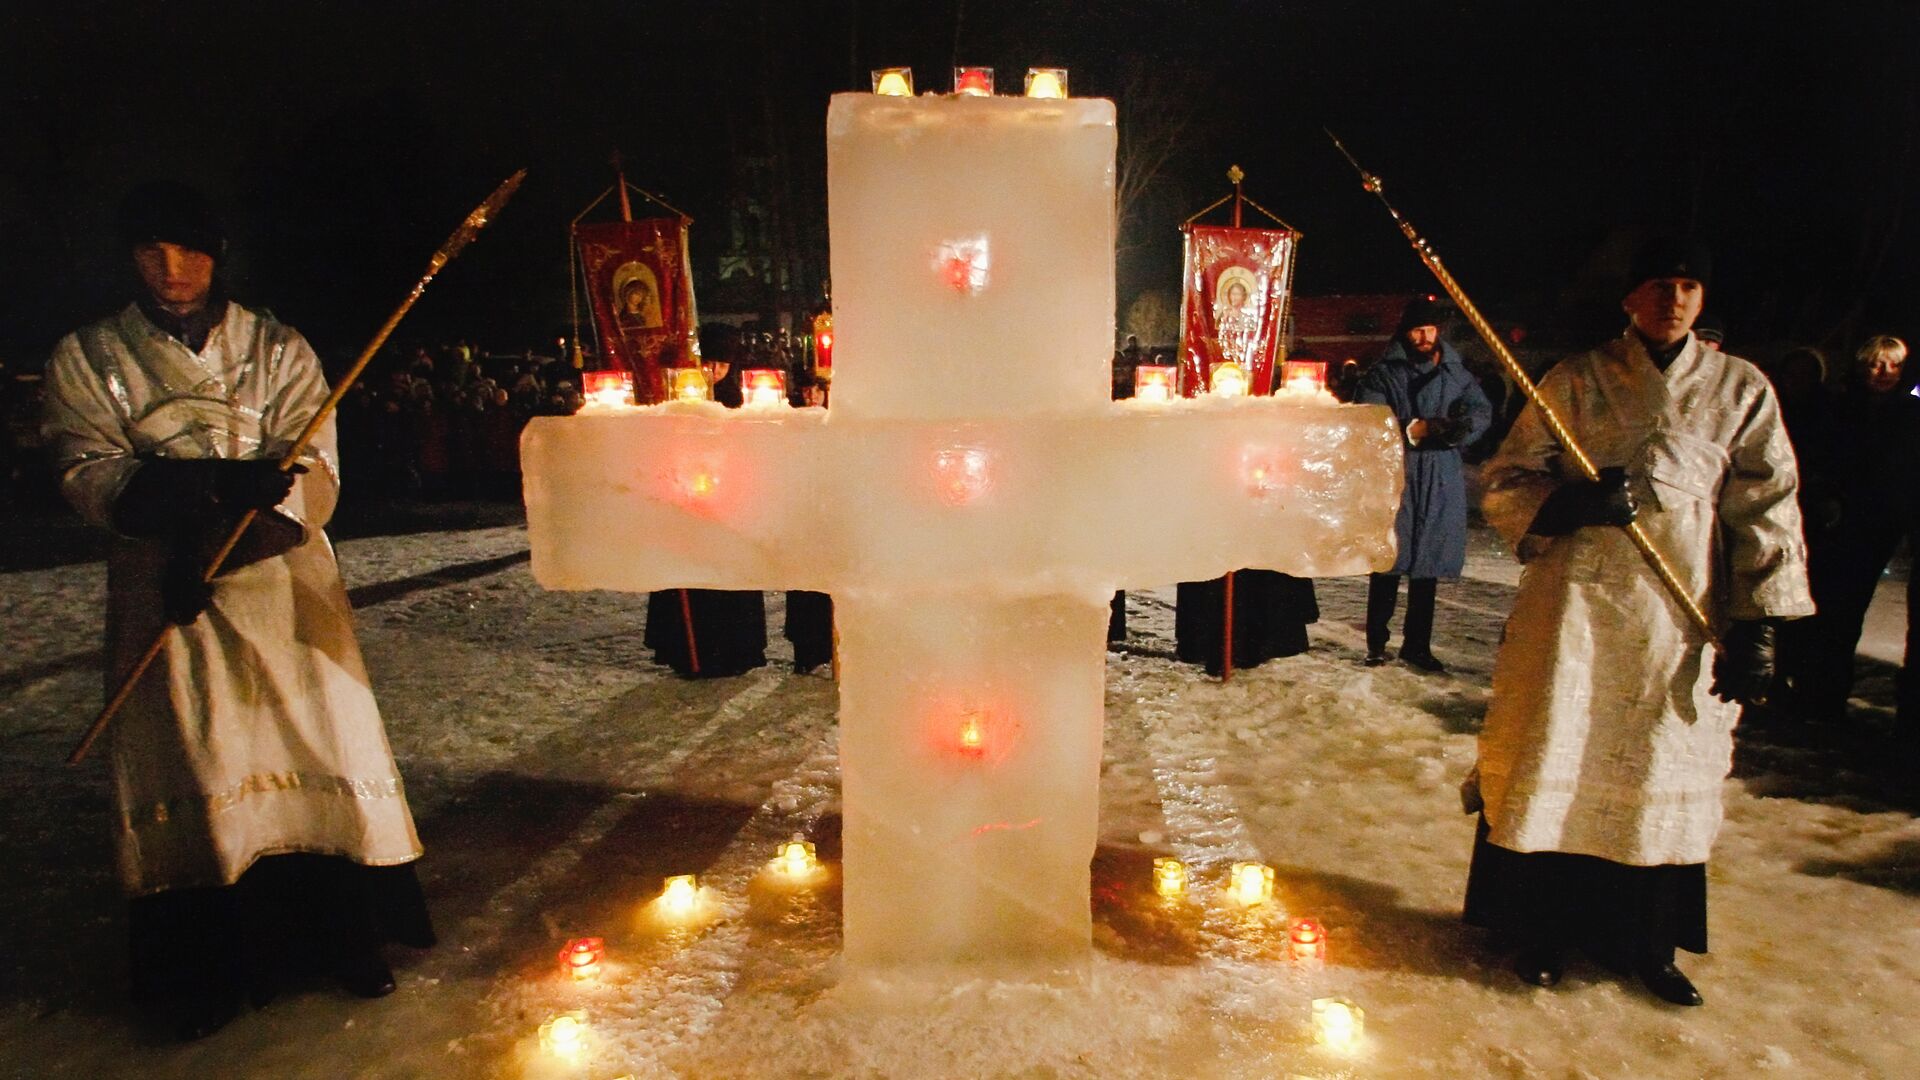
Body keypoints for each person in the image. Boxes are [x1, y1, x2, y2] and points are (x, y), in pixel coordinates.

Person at [40, 181, 433, 1040]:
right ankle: (211, 966)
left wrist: (254, 520)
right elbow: (85, 468)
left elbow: (315, 459)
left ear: (218, 254)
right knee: (201, 757)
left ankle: (342, 935)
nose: (172, 268)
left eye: (189, 249)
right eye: (152, 250)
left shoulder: (277, 348)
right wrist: (201, 495)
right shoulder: (91, 354)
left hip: (280, 584)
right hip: (168, 591)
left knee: (311, 738)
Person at [1464, 238, 1811, 1006]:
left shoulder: (1739, 388)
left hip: (1679, 618)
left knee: (1657, 765)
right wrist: (1567, 503)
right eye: (1660, 285)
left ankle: (1646, 943)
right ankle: (1544, 931)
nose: (1675, 299)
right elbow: (1506, 479)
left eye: (1689, 286)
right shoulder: (1577, 380)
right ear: (1630, 298)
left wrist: (1759, 623)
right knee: (1568, 754)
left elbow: (1768, 507)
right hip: (1577, 617)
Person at [1779, 336, 1917, 741]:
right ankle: (1817, 696)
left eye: (1892, 366)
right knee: (1831, 608)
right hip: (1840, 516)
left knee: (1850, 609)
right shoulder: (1839, 407)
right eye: (1876, 365)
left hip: (1886, 519)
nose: (1883, 374)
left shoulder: (1909, 411)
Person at [1355, 295, 1493, 672]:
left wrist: (1459, 429)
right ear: (1406, 332)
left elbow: (1480, 410)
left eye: (1430, 329)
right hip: (1398, 472)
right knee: (1387, 561)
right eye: (1418, 329)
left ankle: (1418, 645)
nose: (1424, 336)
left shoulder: (1455, 372)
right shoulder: (1384, 373)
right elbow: (1369, 419)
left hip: (1439, 474)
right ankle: (1376, 643)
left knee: (1427, 566)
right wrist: (1410, 429)